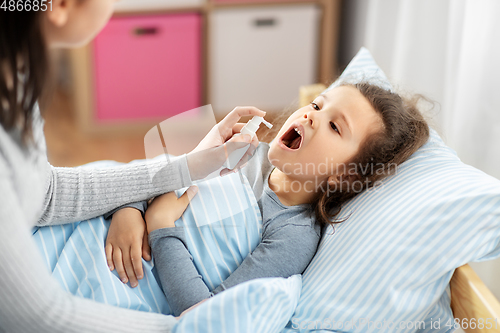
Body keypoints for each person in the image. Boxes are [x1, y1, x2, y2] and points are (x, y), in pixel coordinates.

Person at [0, 1, 264, 332]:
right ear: (62, 6)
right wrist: (183, 326)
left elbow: (46, 193)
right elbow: (35, 316)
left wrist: (188, 166)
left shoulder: (16, 75)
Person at [107, 82, 430, 316]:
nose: (309, 116)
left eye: (334, 126)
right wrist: (128, 207)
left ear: (345, 176)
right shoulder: (243, 154)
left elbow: (204, 315)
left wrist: (161, 227)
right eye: (317, 105)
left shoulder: (293, 233)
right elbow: (158, 177)